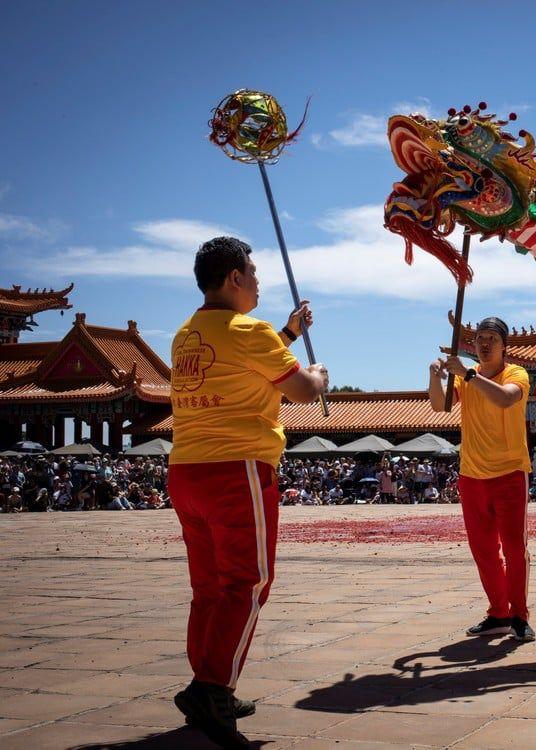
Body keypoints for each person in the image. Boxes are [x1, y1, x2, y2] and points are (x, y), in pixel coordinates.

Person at [168, 236, 329, 748]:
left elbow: (242, 365)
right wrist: (319, 377)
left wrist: (286, 332)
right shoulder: (251, 331)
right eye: (253, 272)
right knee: (249, 583)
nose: (258, 281)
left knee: (209, 587)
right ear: (235, 278)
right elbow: (299, 389)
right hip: (236, 468)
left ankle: (211, 681)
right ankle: (213, 687)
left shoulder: (185, 334)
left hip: (187, 467)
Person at [429, 316, 535, 643]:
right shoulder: (465, 380)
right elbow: (438, 405)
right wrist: (435, 378)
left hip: (509, 472)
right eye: (479, 339)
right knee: (483, 549)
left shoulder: (515, 373)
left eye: (491, 338)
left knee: (515, 548)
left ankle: (519, 614)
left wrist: (469, 374)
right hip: (472, 474)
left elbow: (505, 398)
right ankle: (498, 612)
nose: (484, 343)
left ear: (505, 346)